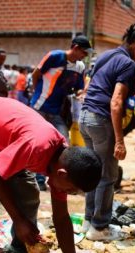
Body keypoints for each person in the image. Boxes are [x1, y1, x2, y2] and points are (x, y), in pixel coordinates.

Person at [0, 96, 102, 253]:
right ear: (62, 174)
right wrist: (19, 221)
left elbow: (61, 218)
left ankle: (20, 248)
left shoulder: (63, 163)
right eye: (71, 190)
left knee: (29, 194)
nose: (69, 194)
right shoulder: (38, 146)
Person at [79, 23, 135, 241]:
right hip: (102, 119)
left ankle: (88, 221)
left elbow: (92, 85)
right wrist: (120, 141)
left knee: (94, 172)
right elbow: (116, 102)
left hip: (85, 117)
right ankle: (99, 228)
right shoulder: (128, 64)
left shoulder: (107, 55)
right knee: (108, 176)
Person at [30, 35, 92, 190]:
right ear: (75, 48)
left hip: (58, 111)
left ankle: (56, 178)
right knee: (39, 144)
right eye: (84, 52)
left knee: (64, 144)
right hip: (39, 107)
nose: (85, 56)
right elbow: (36, 74)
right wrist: (38, 93)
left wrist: (80, 93)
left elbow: (78, 87)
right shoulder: (54, 56)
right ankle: (37, 179)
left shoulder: (79, 67)